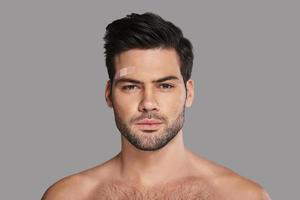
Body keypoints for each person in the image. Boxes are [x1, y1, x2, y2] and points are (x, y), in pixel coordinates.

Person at [42, 12, 271, 199]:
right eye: (131, 86)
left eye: (165, 86)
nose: (148, 104)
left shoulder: (239, 196)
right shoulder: (69, 196)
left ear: (189, 93)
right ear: (109, 95)